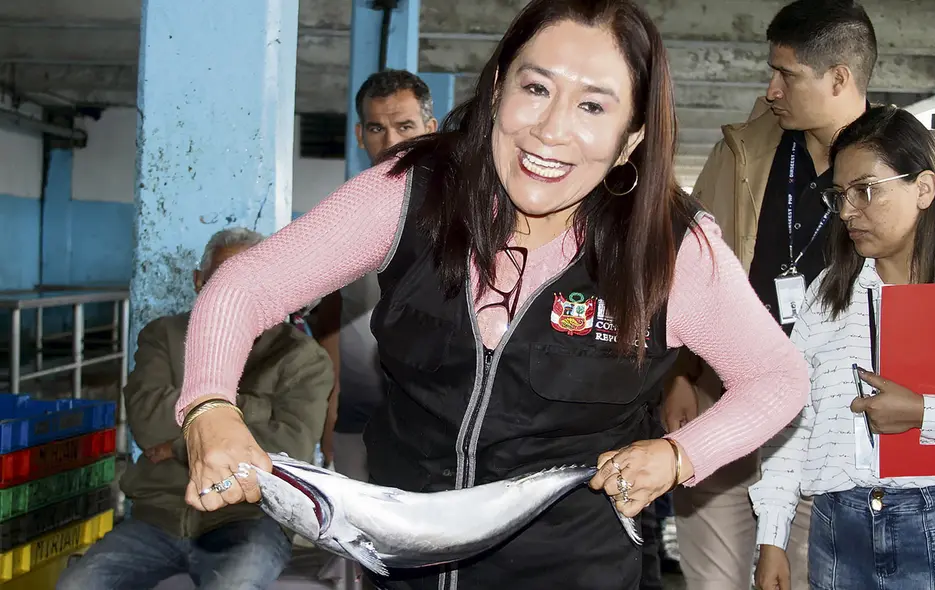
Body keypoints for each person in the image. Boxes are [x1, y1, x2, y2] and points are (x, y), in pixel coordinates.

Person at [174, 1, 810, 588]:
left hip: (572, 569)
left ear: (632, 137)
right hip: (404, 565)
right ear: (499, 86)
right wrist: (209, 406)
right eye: (536, 89)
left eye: (594, 107)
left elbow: (777, 379)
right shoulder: (409, 193)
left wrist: (679, 455)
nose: (551, 130)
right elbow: (244, 284)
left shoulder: (671, 248)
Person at [662, 2, 877, 587]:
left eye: (788, 75)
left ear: (839, 78)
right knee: (713, 577)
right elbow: (689, 267)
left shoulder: (903, 167)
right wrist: (681, 374)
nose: (771, 88)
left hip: (835, 415)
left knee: (807, 575)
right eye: (771, 70)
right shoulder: (743, 151)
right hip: (722, 398)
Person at [751, 105, 935, 590]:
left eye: (865, 191)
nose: (846, 211)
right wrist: (772, 537)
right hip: (836, 531)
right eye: (839, 195)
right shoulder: (828, 292)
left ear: (923, 189)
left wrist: (927, 413)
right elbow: (793, 420)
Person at [56, 228, 334, 590]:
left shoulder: (302, 359)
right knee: (76, 585)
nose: (234, 293)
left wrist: (177, 445)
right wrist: (256, 410)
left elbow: (288, 452)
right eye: (221, 279)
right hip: (156, 520)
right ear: (198, 282)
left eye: (248, 279)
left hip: (248, 521)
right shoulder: (164, 336)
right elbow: (146, 421)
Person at [312, 69, 440, 475]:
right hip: (358, 417)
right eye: (376, 128)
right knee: (356, 535)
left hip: (438, 421)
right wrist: (329, 413)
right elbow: (329, 320)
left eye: (405, 126)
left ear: (430, 129)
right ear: (359, 135)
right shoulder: (343, 215)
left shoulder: (459, 215)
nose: (392, 142)